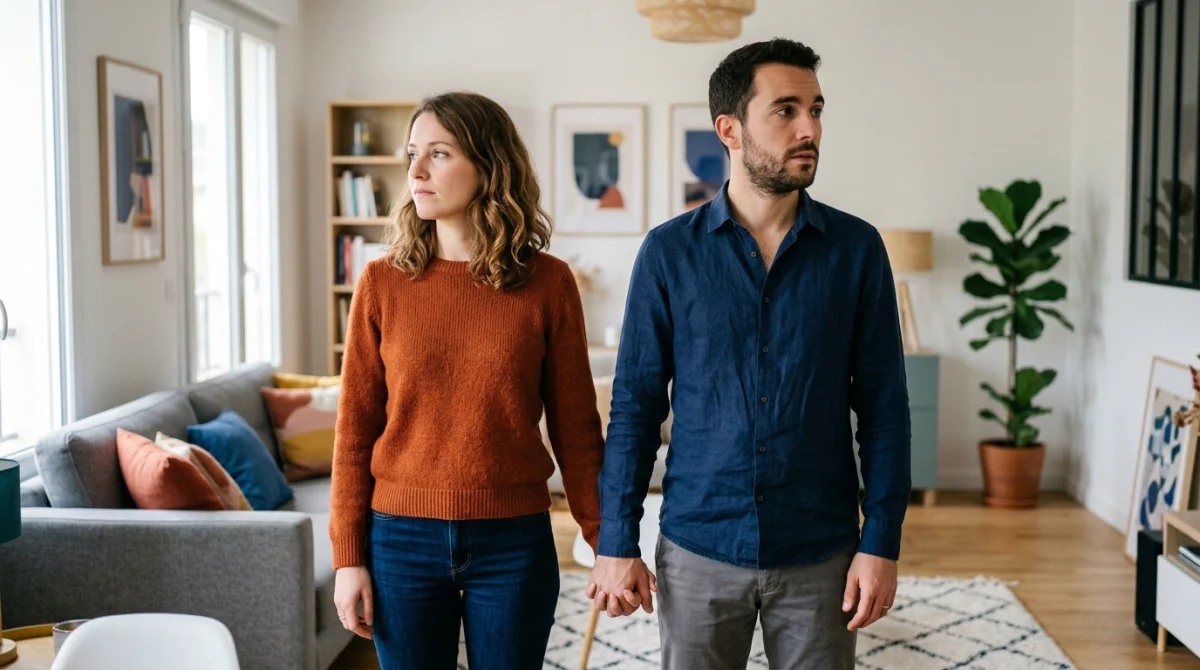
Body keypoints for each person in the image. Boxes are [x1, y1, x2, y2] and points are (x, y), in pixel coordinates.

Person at [587, 38, 912, 669]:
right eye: (785, 110)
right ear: (729, 130)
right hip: (699, 545)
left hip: (821, 550)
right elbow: (635, 408)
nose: (809, 128)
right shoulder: (668, 254)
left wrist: (881, 542)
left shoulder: (857, 250)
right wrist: (616, 541)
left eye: (816, 110)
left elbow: (884, 410)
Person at [329, 91, 606, 670]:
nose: (416, 171)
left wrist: (607, 540)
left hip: (514, 542)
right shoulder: (380, 283)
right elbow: (354, 431)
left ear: (489, 165)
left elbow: (576, 427)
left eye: (439, 153)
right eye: (412, 154)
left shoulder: (548, 284)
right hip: (400, 540)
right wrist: (348, 557)